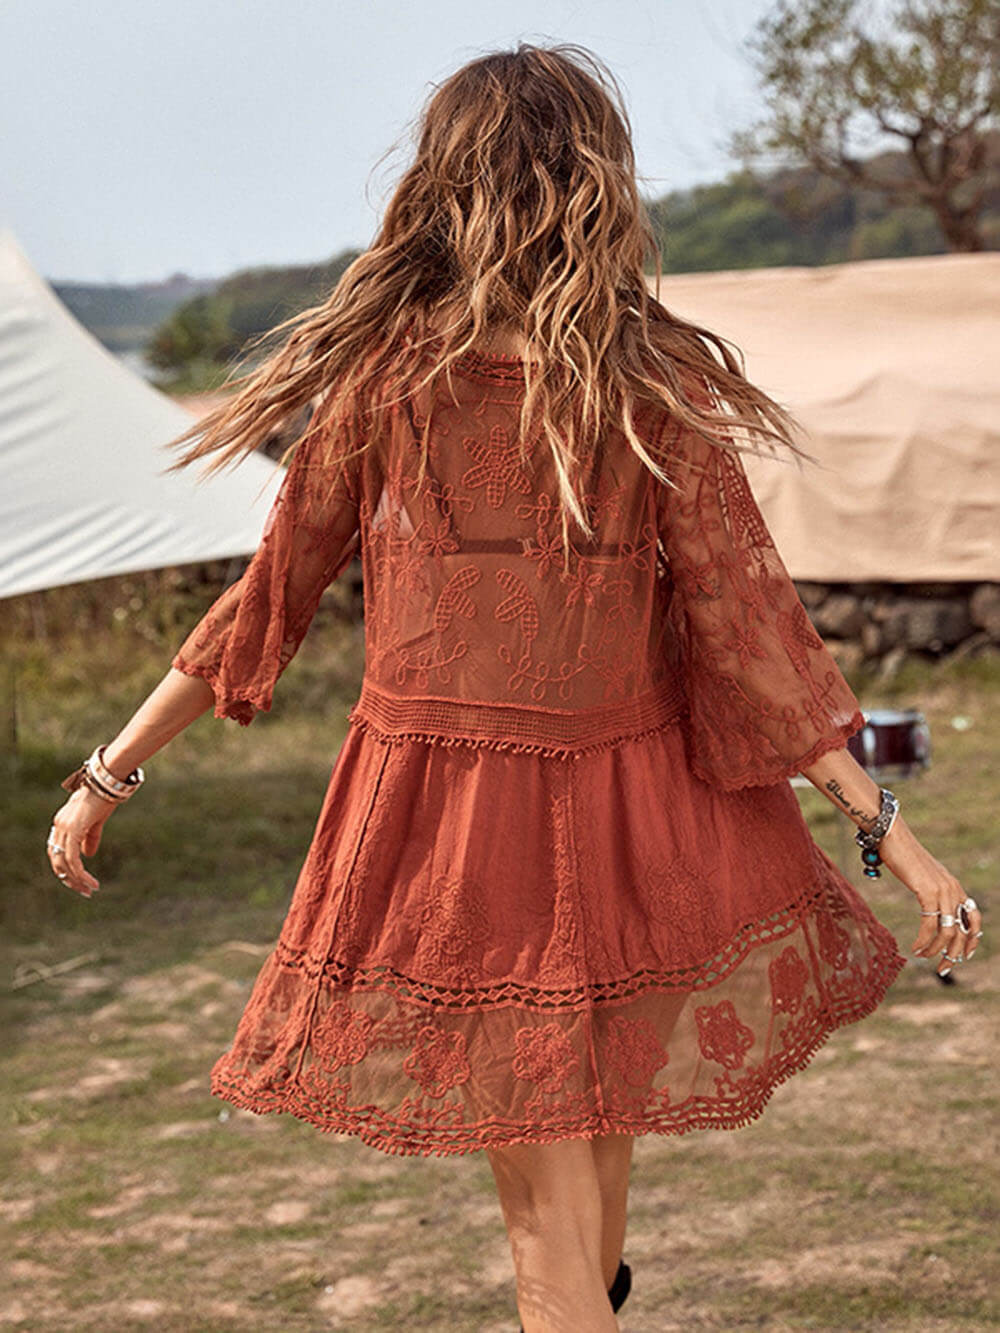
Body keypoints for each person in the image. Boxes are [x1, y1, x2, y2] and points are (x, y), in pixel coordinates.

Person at [45, 42, 983, 1333]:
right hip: (620, 813)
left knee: (556, 1228)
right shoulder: (642, 377)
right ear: (599, 179)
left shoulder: (406, 374)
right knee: (582, 1199)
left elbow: (267, 600)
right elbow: (754, 630)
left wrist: (107, 772)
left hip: (462, 823)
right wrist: (894, 832)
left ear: (448, 178)